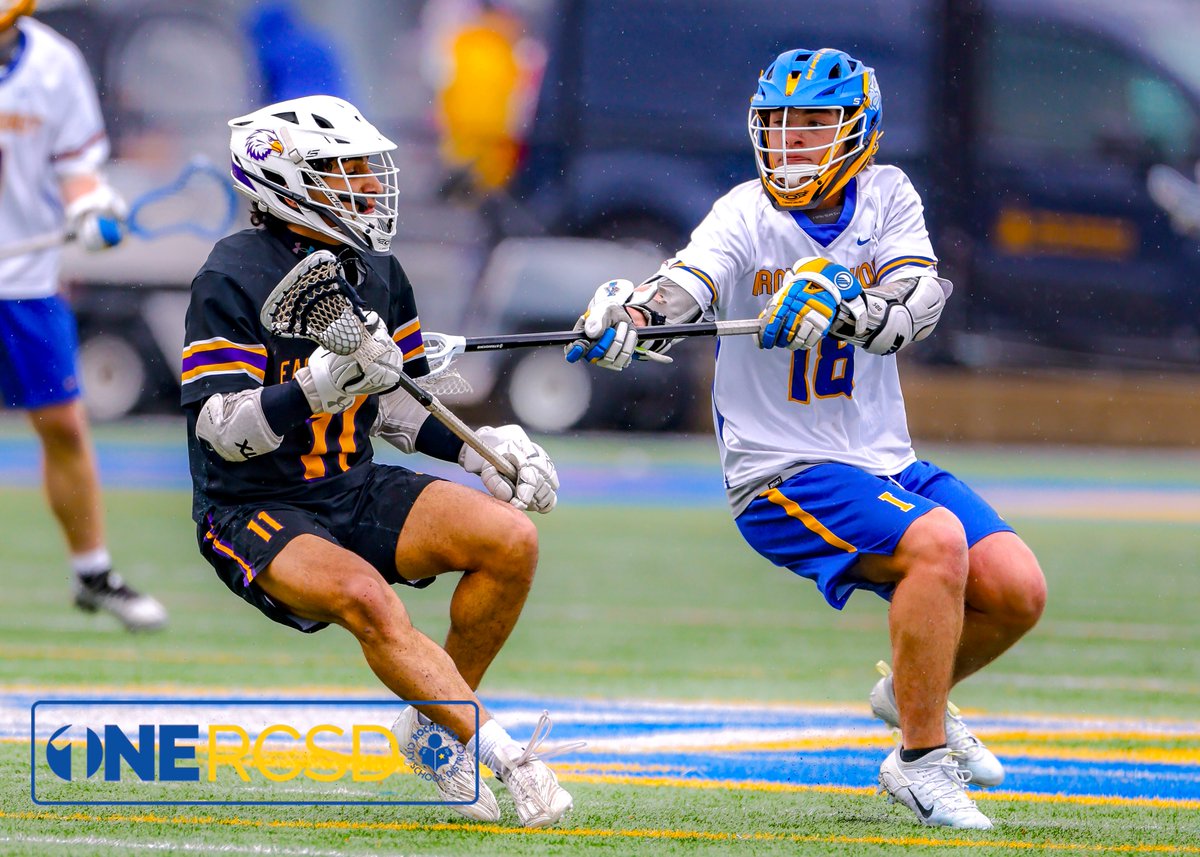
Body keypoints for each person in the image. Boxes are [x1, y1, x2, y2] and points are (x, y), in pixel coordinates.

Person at [564, 48, 1047, 830]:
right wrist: (636, 316)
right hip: (782, 469)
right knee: (938, 545)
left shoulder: (889, 195)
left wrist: (850, 307)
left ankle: (911, 697)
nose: (793, 142)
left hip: (882, 456)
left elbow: (919, 299)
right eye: (779, 124)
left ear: (860, 132)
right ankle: (920, 760)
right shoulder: (742, 213)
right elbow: (685, 281)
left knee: (1017, 588)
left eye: (815, 123)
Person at [183, 94, 573, 828]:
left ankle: (436, 724)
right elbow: (221, 429)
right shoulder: (232, 271)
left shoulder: (377, 271)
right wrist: (314, 387)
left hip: (351, 485)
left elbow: (400, 401)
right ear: (288, 180)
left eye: (366, 168)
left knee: (510, 539)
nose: (368, 184)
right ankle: (502, 751)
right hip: (253, 505)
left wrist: (483, 451)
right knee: (369, 599)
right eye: (346, 170)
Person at [0, 1, 167, 631]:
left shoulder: (52, 65)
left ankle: (93, 572)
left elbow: (77, 171)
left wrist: (90, 209)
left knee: (63, 425)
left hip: (25, 284)